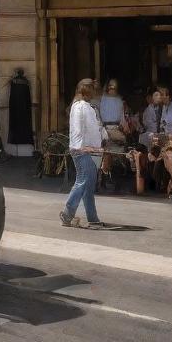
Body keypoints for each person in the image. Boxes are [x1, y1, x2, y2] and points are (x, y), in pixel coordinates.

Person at [61, 77, 107, 229]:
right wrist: (81, 147)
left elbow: (94, 129)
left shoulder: (87, 106)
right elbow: (77, 130)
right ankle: (68, 213)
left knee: (88, 185)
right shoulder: (80, 106)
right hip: (83, 150)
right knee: (83, 181)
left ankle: (92, 217)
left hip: (92, 151)